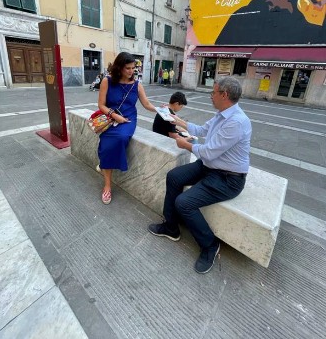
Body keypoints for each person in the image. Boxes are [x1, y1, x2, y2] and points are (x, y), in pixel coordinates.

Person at [148, 76, 252, 274]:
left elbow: (209, 151)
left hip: (228, 178)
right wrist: (175, 120)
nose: (210, 96)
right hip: (209, 167)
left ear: (224, 94)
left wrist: (186, 144)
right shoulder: (222, 114)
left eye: (213, 93)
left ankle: (210, 246)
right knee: (174, 176)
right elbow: (202, 130)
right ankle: (171, 227)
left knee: (184, 202)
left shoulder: (237, 122)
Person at [97, 52, 156, 205]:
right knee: (106, 143)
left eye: (133, 68)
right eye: (128, 68)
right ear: (119, 68)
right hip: (111, 117)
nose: (131, 71)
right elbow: (101, 105)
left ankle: (105, 163)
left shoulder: (137, 85)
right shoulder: (107, 81)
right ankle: (108, 185)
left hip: (128, 118)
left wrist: (162, 110)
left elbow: (147, 104)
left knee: (121, 137)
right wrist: (114, 115)